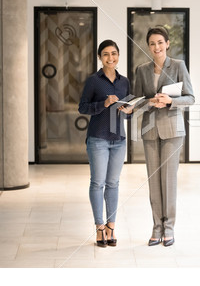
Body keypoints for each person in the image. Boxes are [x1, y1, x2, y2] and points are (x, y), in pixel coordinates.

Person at [134, 26, 195, 247]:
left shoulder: (178, 66)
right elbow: (137, 100)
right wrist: (149, 102)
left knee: (168, 180)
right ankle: (156, 227)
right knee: (154, 182)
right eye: (152, 43)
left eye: (160, 42)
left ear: (167, 43)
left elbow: (190, 98)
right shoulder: (141, 70)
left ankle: (169, 227)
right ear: (148, 46)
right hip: (150, 130)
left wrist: (170, 101)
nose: (156, 47)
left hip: (172, 130)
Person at [79, 39, 133, 247]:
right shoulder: (94, 80)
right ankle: (99, 227)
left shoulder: (124, 82)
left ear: (118, 55)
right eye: (106, 54)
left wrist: (129, 110)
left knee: (113, 184)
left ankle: (111, 227)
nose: (111, 58)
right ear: (100, 58)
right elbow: (82, 107)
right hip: (98, 139)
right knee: (97, 183)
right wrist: (104, 103)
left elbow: (127, 112)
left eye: (114, 54)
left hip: (119, 139)